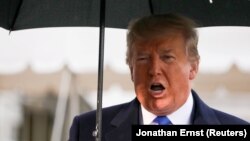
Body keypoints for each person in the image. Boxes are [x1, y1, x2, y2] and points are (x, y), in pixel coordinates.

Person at [69, 13, 249, 141]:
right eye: (143, 58)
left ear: (193, 67)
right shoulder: (87, 129)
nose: (154, 69)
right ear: (131, 68)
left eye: (167, 57)